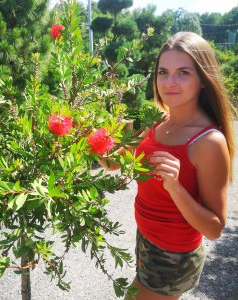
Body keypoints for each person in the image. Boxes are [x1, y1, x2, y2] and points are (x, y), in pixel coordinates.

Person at [99, 31, 235, 300]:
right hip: (146, 239)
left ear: (203, 80)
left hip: (174, 256)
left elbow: (214, 228)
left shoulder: (208, 141)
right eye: (163, 72)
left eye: (183, 73)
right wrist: (92, 136)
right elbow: (113, 164)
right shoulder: (155, 118)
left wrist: (175, 187)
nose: (170, 82)